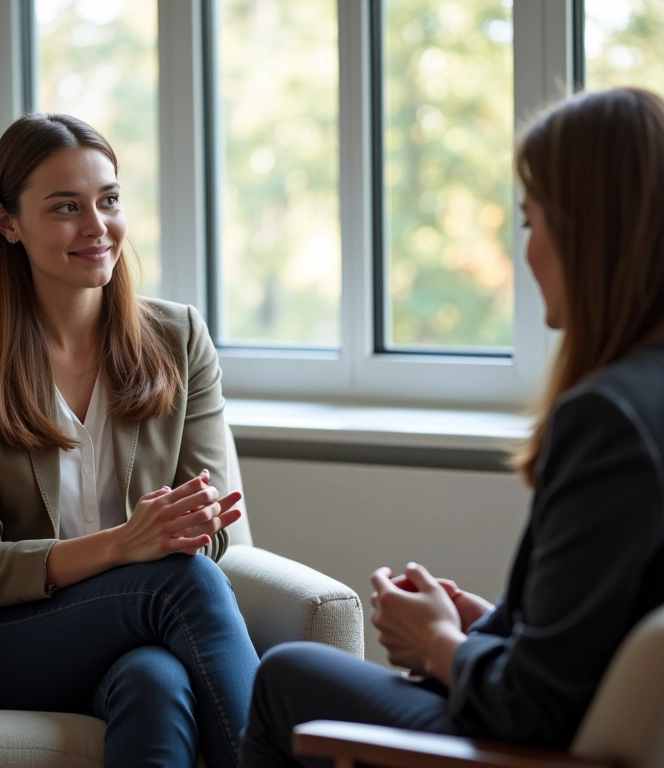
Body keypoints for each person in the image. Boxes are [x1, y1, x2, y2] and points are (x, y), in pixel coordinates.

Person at [239, 86, 664, 766]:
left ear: (587, 234)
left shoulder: (609, 421)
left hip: (531, 750)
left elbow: (535, 707)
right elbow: (591, 644)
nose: (527, 254)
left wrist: (439, 643)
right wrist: (483, 625)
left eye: (530, 223)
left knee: (287, 675)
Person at [0, 112, 260, 768]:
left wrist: (186, 530)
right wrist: (122, 546)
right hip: (5, 636)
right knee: (182, 586)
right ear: (8, 222)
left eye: (109, 200)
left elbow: (211, 529)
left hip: (140, 622)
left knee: (156, 681)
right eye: (66, 207)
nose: (97, 226)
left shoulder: (179, 339)